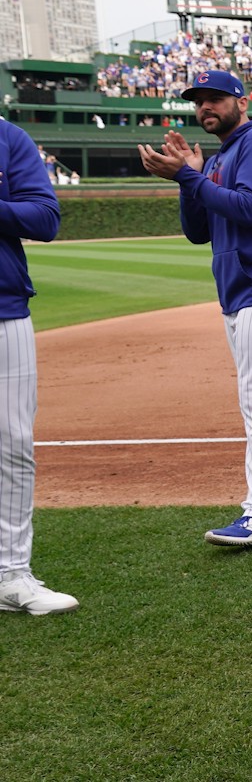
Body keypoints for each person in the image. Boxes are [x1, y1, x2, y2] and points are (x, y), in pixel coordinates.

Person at [138, 69, 252, 547]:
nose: (205, 108)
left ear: (243, 101)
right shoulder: (220, 156)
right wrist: (187, 181)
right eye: (198, 102)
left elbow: (250, 207)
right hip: (243, 287)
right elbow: (200, 231)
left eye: (215, 98)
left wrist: (192, 177)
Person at [0, 116, 71, 616]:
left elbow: (44, 218)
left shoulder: (8, 137)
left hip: (4, 311)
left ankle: (10, 574)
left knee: (13, 445)